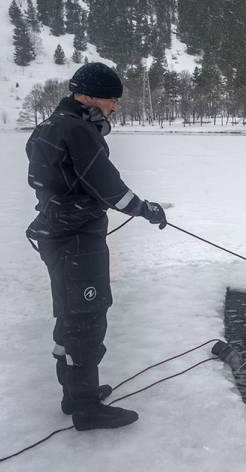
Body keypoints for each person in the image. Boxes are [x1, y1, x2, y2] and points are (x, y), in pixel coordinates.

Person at [26, 62, 167, 431]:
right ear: (87, 96)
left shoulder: (48, 126)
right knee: (87, 317)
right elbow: (111, 189)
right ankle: (86, 408)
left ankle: (74, 394)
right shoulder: (78, 130)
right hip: (76, 241)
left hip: (57, 236)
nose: (114, 108)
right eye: (111, 100)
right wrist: (146, 209)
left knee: (69, 314)